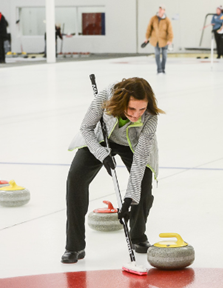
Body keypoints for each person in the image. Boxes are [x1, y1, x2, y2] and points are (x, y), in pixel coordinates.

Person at [62, 77, 163, 264]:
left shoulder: (151, 118)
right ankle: (74, 246)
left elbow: (141, 158)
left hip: (133, 145)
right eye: (131, 109)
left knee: (142, 183)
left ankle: (138, 236)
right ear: (122, 102)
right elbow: (86, 128)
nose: (136, 115)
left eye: (141, 109)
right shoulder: (105, 98)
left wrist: (128, 200)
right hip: (100, 139)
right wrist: (102, 154)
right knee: (75, 179)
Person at [145, 5, 173, 74]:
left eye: (162, 9)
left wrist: (170, 40)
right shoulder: (153, 18)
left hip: (164, 41)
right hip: (155, 40)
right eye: (159, 9)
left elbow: (170, 31)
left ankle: (163, 68)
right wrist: (146, 37)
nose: (160, 10)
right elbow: (149, 29)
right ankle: (159, 69)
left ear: (164, 11)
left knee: (164, 55)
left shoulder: (167, 20)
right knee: (157, 54)